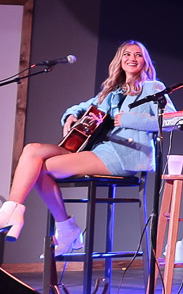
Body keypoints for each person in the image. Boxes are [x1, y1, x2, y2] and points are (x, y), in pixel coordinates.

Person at [0, 40, 174, 255]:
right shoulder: (111, 91)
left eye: (138, 55)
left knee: (38, 166)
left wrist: (128, 119)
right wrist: (70, 115)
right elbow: (80, 106)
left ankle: (53, 224)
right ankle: (36, 217)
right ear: (119, 60)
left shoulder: (153, 87)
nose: (132, 58)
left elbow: (170, 121)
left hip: (124, 156)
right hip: (99, 150)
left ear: (145, 61)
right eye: (127, 54)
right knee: (33, 152)